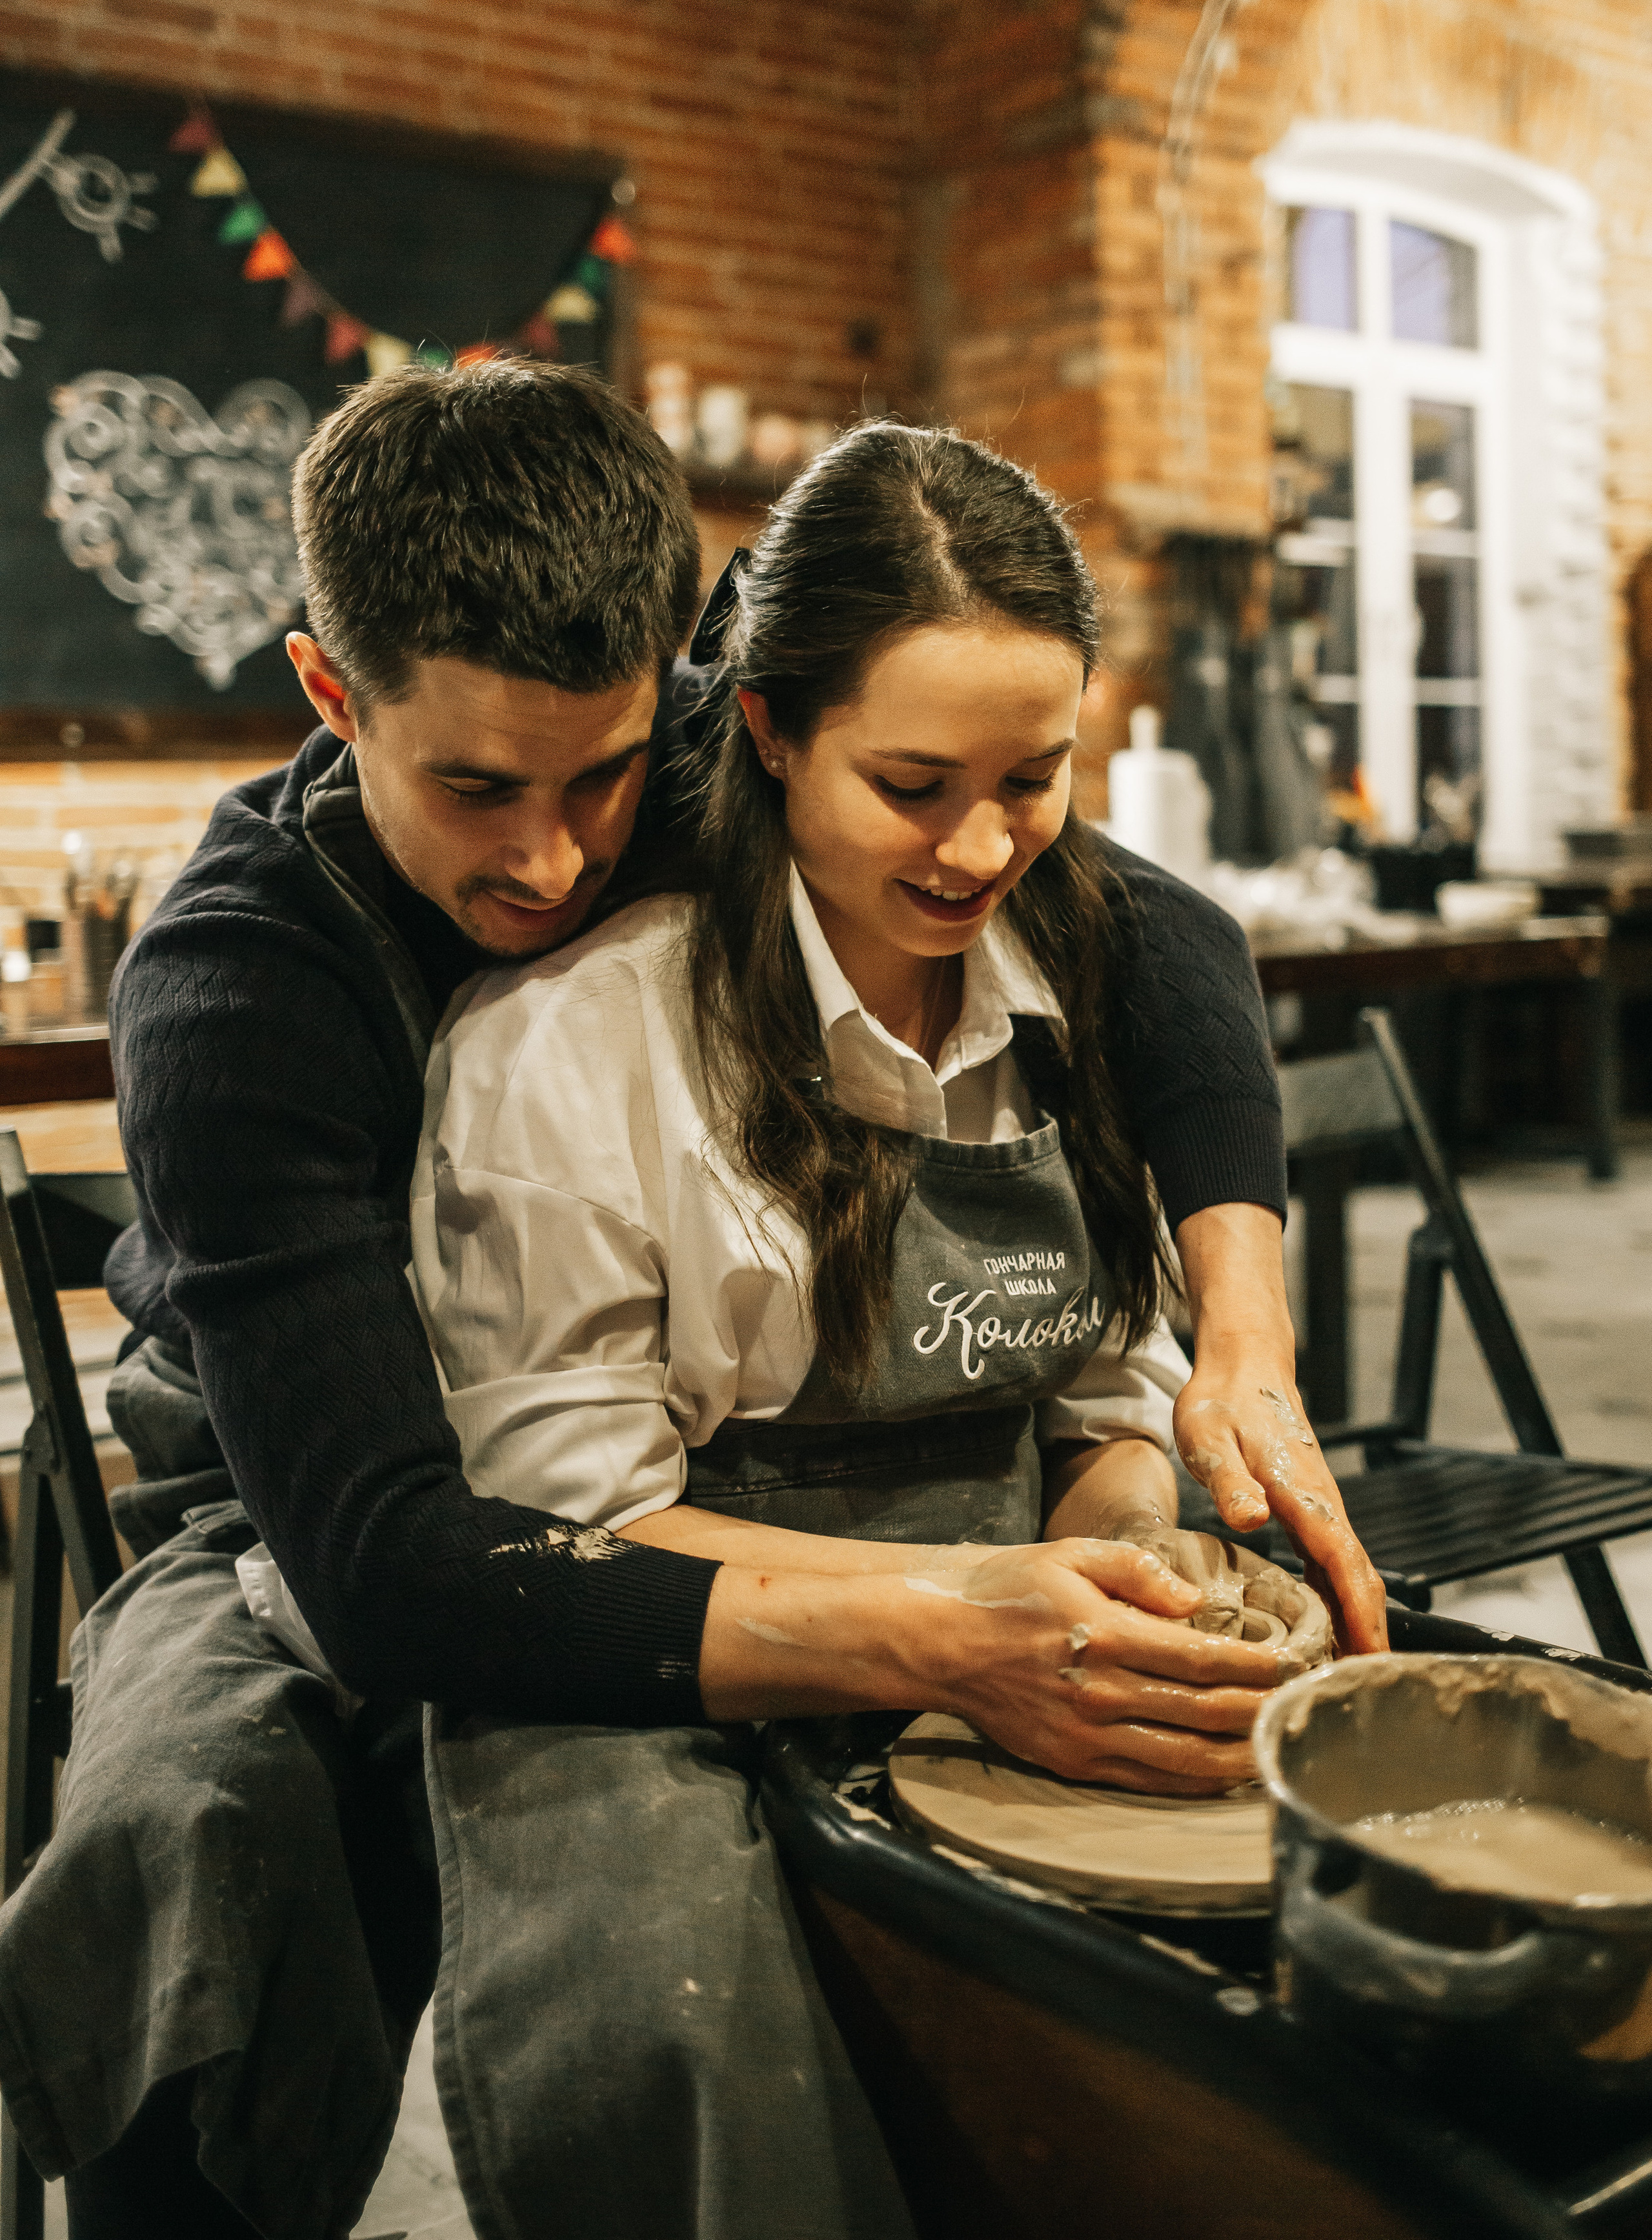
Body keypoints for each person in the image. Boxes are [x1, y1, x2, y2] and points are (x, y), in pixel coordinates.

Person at [0, 361, 1384, 2240]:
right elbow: (397, 1570)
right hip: (305, 1478)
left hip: (643, 1441)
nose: (554, 861)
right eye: (475, 789)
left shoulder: (724, 735)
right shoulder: (240, 983)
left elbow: (1157, 925)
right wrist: (955, 1621)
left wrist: (1243, 1337)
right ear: (332, 694)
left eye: (603, 776)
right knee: (201, 1842)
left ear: (704, 684)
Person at [406, 420, 1355, 2239]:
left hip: (1017, 1587)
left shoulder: (1080, 998)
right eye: (914, 785)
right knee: (682, 2022)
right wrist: (979, 1618)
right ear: (769, 731)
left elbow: (1101, 1398)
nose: (982, 847)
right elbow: (566, 1523)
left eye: (1034, 779)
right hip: (661, 1636)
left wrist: (1135, 1557)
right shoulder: (572, 1046)